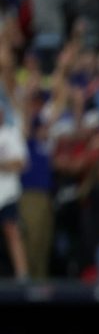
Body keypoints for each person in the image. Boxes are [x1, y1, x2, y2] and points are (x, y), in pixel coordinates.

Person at [0, 114, 27, 280]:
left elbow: (21, 163)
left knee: (12, 233)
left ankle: (23, 276)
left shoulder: (10, 134)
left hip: (7, 194)